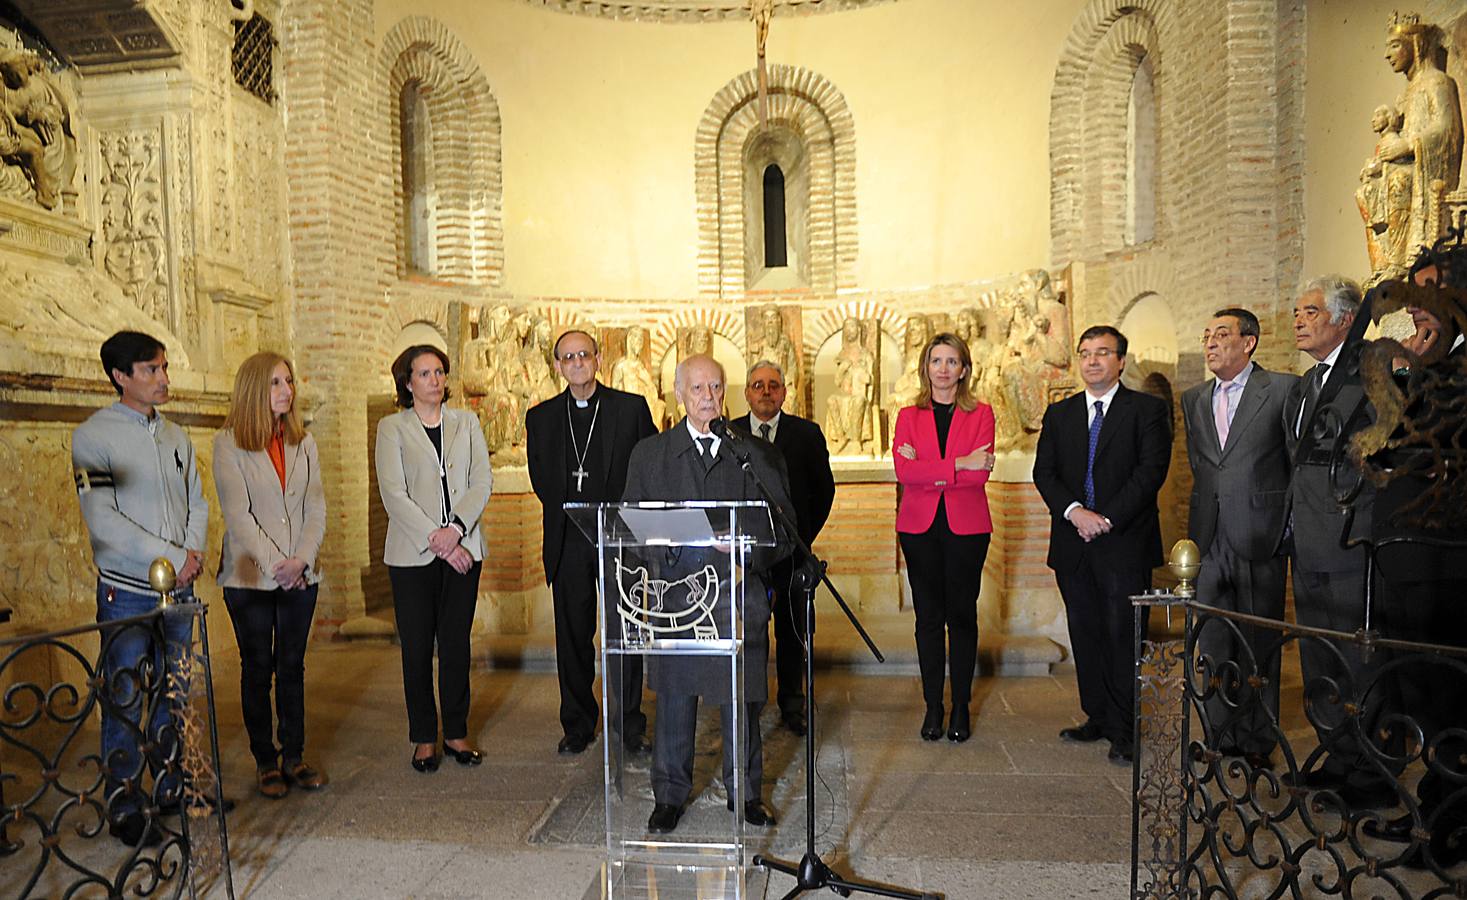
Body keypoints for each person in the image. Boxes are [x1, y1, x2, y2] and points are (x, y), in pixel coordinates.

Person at [623, 354, 794, 835]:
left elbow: (784, 529)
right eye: (697, 389)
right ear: (678, 394)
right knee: (675, 698)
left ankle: (745, 794)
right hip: (676, 595)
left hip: (738, 596)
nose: (707, 398)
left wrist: (746, 551)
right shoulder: (650, 455)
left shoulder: (755, 455)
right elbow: (630, 530)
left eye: (716, 388)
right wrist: (662, 550)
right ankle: (670, 796)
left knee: (741, 700)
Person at [71, 330, 208, 846]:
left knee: (178, 693)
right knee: (126, 697)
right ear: (120, 377)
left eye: (165, 368)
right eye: (151, 370)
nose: (163, 379)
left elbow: (198, 499)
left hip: (180, 590)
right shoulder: (92, 438)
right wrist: (175, 558)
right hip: (127, 591)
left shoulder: (176, 436)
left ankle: (174, 787)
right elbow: (104, 522)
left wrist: (192, 555)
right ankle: (126, 803)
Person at [1032, 325, 1170, 764]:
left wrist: (1105, 518)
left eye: (1103, 353)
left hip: (1124, 541)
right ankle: (1096, 716)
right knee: (1086, 632)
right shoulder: (1060, 414)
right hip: (1074, 542)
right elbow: (1045, 473)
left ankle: (1127, 728)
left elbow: (1150, 473)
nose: (1092, 360)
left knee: (1123, 636)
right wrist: (1076, 512)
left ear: (1121, 361)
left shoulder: (1146, 410)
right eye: (1086, 353)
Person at [1280, 274, 1391, 806]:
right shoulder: (1305, 386)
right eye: (1298, 312)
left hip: (1350, 540)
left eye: (1310, 312)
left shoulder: (1373, 372)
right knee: (1318, 656)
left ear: (1345, 319)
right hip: (1308, 540)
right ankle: (1337, 756)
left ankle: (1372, 774)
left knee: (1357, 660)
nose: (1299, 321)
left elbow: (1385, 454)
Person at [526, 329, 656, 756]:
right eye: (568, 357)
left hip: (620, 537)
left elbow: (648, 466)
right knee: (573, 636)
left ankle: (629, 724)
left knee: (624, 634)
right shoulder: (541, 418)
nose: (577, 362)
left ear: (598, 360)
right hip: (569, 539)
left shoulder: (630, 408)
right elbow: (541, 477)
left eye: (584, 354)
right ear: (558, 366)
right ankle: (578, 723)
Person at [1180, 309, 1297, 768]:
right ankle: (1216, 732)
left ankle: (1256, 739)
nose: (1210, 343)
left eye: (1222, 335)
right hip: (1209, 534)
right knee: (1210, 639)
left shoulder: (1283, 389)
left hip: (1260, 532)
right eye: (1206, 335)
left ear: (1249, 343)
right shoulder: (1193, 398)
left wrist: (1284, 525)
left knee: (1258, 641)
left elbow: (1292, 459)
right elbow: (1202, 464)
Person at [213, 352, 329, 799]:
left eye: (289, 381)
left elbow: (316, 506)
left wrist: (300, 560)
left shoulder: (304, 442)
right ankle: (265, 760)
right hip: (250, 578)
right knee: (257, 668)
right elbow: (238, 515)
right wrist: (278, 565)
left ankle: (294, 755)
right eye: (276, 383)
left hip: (301, 574)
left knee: (292, 667)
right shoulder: (228, 443)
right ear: (254, 389)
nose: (287, 390)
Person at [375, 344, 493, 773]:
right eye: (424, 374)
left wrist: (457, 531)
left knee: (457, 644)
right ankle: (425, 736)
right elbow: (393, 493)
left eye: (439, 372)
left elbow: (481, 480)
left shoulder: (468, 423)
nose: (435, 381)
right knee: (418, 647)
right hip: (412, 554)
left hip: (464, 550)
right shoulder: (392, 428)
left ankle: (457, 731)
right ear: (407, 383)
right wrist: (437, 539)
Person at [891, 334, 996, 744]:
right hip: (918, 530)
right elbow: (905, 473)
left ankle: (962, 707)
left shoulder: (981, 414)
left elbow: (979, 475)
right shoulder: (907, 416)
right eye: (936, 360)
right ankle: (933, 706)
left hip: (967, 530)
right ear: (926, 368)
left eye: (952, 361)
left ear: (964, 369)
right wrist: (957, 463)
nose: (944, 369)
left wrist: (932, 469)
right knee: (928, 619)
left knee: (963, 617)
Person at [732, 359, 836, 736]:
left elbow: (824, 490)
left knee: (792, 632)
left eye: (773, 385)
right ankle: (751, 703)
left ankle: (792, 705)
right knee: (751, 630)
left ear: (784, 392)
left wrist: (803, 535)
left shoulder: (806, 434)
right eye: (757, 385)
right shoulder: (731, 435)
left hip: (792, 553)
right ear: (746, 393)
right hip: (747, 556)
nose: (765, 392)